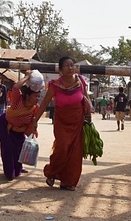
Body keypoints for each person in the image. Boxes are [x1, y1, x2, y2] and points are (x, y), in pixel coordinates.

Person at [34, 56, 91, 191]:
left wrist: (89, 117)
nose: (70, 68)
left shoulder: (80, 81)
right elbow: (44, 103)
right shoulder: (55, 85)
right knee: (63, 147)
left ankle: (68, 182)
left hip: (78, 121)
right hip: (61, 121)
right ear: (60, 69)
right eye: (66, 65)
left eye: (72, 65)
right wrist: (35, 120)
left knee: (75, 152)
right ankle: (51, 172)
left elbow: (86, 99)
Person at [0, 70, 41, 181]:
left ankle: (17, 169)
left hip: (19, 131)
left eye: (38, 96)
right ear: (27, 96)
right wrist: (27, 77)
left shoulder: (35, 109)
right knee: (7, 148)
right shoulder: (18, 99)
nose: (37, 99)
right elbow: (16, 87)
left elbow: (32, 124)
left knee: (19, 151)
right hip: (5, 125)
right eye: (35, 96)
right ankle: (9, 173)